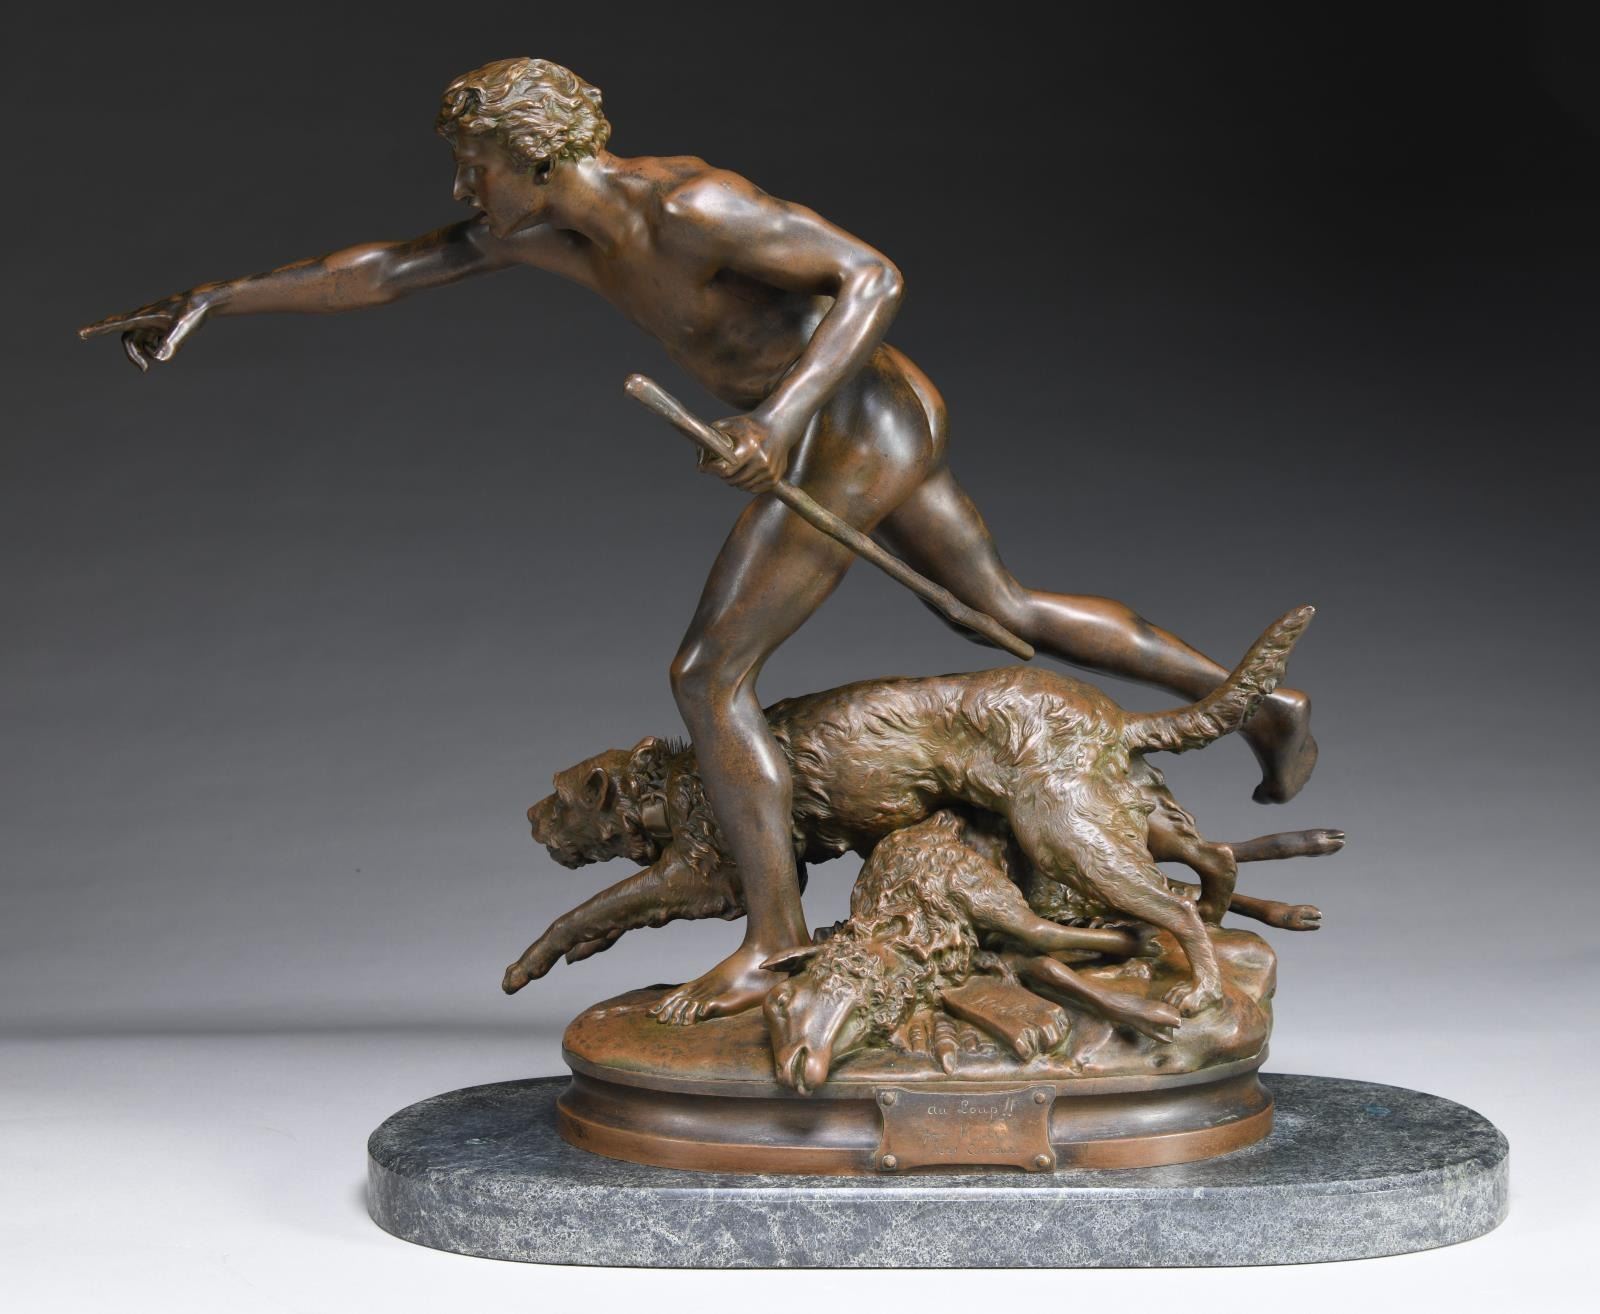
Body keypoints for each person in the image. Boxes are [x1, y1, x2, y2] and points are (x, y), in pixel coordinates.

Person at [81, 57, 1317, 1024]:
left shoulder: (693, 204)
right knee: (998, 608)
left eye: (473, 166)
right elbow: (385, 270)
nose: (463, 191)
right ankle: (1257, 702)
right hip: (833, 428)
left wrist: (779, 417)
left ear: (534, 154)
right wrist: (215, 300)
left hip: (855, 419)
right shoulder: (540, 232)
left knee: (708, 674)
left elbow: (871, 277)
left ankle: (775, 938)